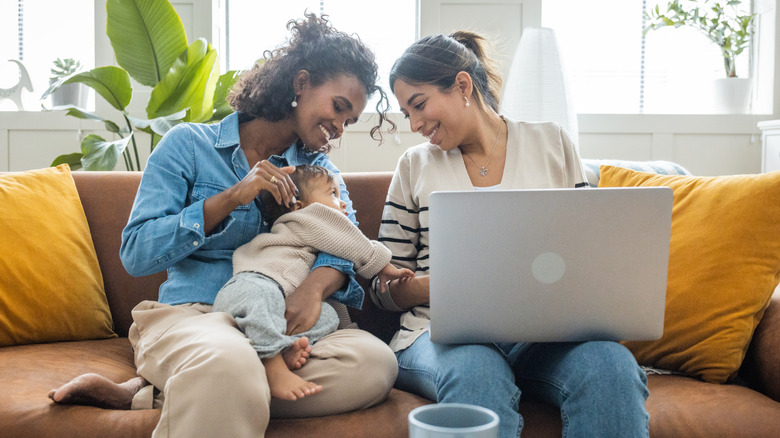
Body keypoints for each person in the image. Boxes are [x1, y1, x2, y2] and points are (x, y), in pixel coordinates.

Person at [48, 12, 400, 438]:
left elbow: (342, 244)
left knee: (375, 364)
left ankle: (159, 391)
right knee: (229, 364)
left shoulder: (320, 171)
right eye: (338, 108)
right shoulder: (189, 146)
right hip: (194, 315)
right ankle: (227, 376)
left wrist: (311, 290)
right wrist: (231, 198)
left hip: (279, 324)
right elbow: (137, 252)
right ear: (301, 83)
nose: (338, 129)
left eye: (350, 121)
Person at [369, 31, 650, 438]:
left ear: (462, 85)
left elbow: (590, 256)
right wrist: (443, 287)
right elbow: (381, 286)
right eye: (406, 112)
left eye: (419, 104)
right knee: (477, 371)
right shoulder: (414, 165)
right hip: (439, 336)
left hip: (545, 339)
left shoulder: (552, 142)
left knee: (611, 365)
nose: (413, 124)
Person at [212, 164, 414, 401]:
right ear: (299, 206)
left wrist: (347, 328)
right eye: (332, 194)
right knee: (262, 296)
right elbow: (348, 238)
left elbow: (335, 293)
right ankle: (272, 365)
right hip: (250, 286)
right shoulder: (302, 219)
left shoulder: (316, 237)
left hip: (277, 309)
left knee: (328, 316)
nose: (343, 204)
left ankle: (284, 346)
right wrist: (383, 265)